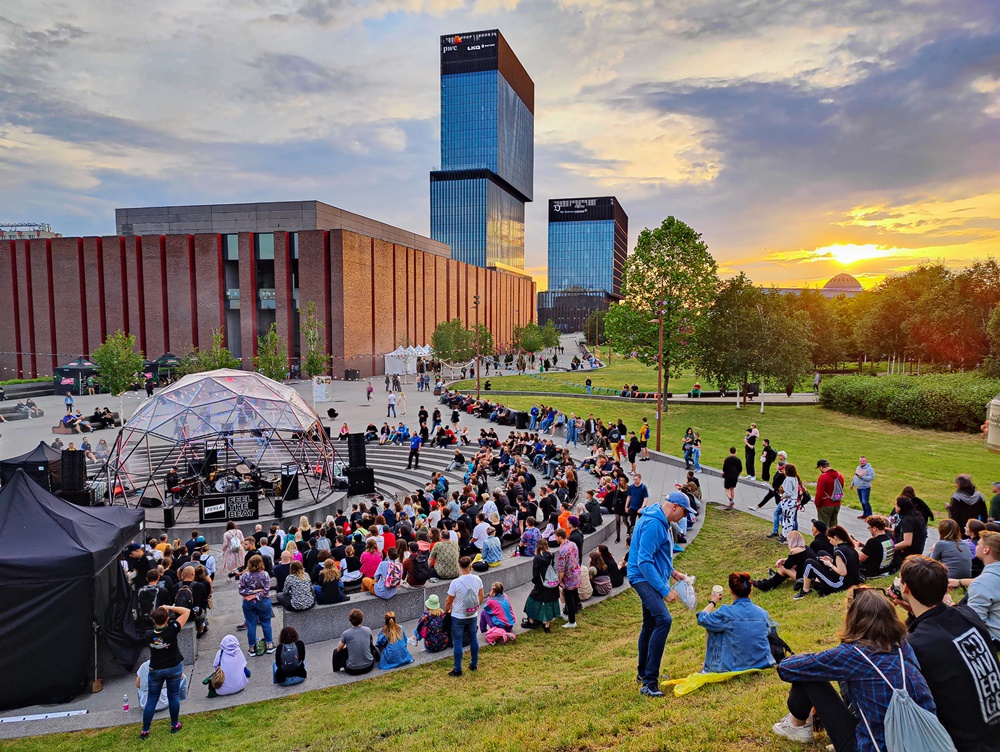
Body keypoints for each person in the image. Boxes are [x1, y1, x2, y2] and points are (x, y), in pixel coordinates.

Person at [773, 587, 936, 748]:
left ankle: (796, 725)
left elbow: (787, 669)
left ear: (853, 618)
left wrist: (808, 659)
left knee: (808, 675)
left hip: (872, 747)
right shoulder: (903, 645)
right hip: (922, 740)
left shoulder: (854, 654)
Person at [896, 555, 1000, 752]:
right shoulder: (967, 613)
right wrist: (913, 613)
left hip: (964, 743)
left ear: (906, 588)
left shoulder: (916, 644)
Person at [627, 491, 694, 698]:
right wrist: (664, 590)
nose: (685, 517)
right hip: (642, 578)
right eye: (684, 512)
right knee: (664, 620)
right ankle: (649, 682)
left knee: (650, 624)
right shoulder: (655, 524)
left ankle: (643, 672)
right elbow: (644, 562)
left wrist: (673, 573)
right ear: (674, 506)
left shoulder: (660, 520)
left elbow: (658, 556)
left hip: (648, 576)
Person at [697, 572, 775, 673]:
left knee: (711, 626)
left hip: (736, 666)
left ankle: (710, 665)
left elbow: (702, 619)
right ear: (750, 590)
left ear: (731, 591)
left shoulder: (726, 612)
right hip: (763, 662)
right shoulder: (762, 612)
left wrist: (713, 601)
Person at [140, 604, 190, 739]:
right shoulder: (172, 630)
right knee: (173, 696)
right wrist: (170, 607)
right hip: (174, 667)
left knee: (151, 699)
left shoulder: (149, 635)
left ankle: (145, 730)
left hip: (156, 669)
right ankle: (174, 724)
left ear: (153, 620)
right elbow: (186, 612)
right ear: (167, 618)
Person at [952, 531, 1000, 642]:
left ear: (986, 549)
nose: (976, 546)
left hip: (994, 638)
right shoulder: (988, 580)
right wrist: (960, 582)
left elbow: (972, 623)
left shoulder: (982, 583)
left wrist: (948, 603)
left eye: (978, 544)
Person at [795, 525, 860, 599]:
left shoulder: (839, 552)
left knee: (809, 563)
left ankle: (805, 591)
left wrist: (830, 565)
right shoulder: (850, 547)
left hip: (840, 585)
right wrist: (832, 560)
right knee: (821, 553)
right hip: (851, 581)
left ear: (835, 537)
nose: (830, 542)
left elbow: (843, 573)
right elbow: (848, 563)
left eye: (830, 539)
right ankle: (817, 581)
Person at [444, 556, 484, 677]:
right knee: (473, 639)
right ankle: (474, 664)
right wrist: (476, 607)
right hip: (472, 614)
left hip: (458, 615)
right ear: (471, 566)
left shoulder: (455, 583)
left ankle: (457, 669)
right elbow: (481, 595)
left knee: (457, 642)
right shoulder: (477, 579)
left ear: (459, 566)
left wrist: (447, 611)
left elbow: (449, 600)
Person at [238, 555, 275, 655]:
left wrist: (251, 594)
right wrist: (257, 592)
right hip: (263, 602)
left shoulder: (245, 575)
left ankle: (251, 648)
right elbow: (266, 590)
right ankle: (269, 645)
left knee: (251, 625)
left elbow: (241, 590)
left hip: (248, 602)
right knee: (266, 623)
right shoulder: (265, 575)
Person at [332, 609, 375, 674]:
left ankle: (336, 671)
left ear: (350, 620)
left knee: (335, 652)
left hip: (352, 670)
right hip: (369, 666)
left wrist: (347, 645)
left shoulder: (346, 633)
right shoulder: (368, 630)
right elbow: (371, 644)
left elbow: (338, 649)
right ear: (362, 619)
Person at [555, 527, 582, 628]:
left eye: (556, 537)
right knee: (574, 595)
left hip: (569, 578)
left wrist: (559, 580)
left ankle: (572, 621)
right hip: (576, 574)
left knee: (569, 599)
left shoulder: (562, 551)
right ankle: (569, 613)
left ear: (560, 537)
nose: (555, 539)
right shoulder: (573, 544)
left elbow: (561, 569)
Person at [892, 496, 927, 560]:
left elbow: (907, 542)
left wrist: (891, 548)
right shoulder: (917, 516)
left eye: (896, 505)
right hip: (917, 552)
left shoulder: (907, 520)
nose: (895, 507)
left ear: (900, 507)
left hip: (908, 555)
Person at [814, 459, 844, 528]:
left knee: (823, 527)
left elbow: (819, 494)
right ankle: (834, 538)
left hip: (825, 504)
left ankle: (825, 538)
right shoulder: (840, 476)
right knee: (834, 526)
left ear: (821, 467)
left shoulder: (823, 477)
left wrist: (817, 505)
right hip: (837, 503)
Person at [778, 462, 801, 541]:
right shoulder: (795, 478)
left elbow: (788, 493)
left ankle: (785, 535)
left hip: (788, 501)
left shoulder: (788, 479)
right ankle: (789, 535)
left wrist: (782, 495)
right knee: (790, 519)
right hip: (793, 501)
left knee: (786, 519)